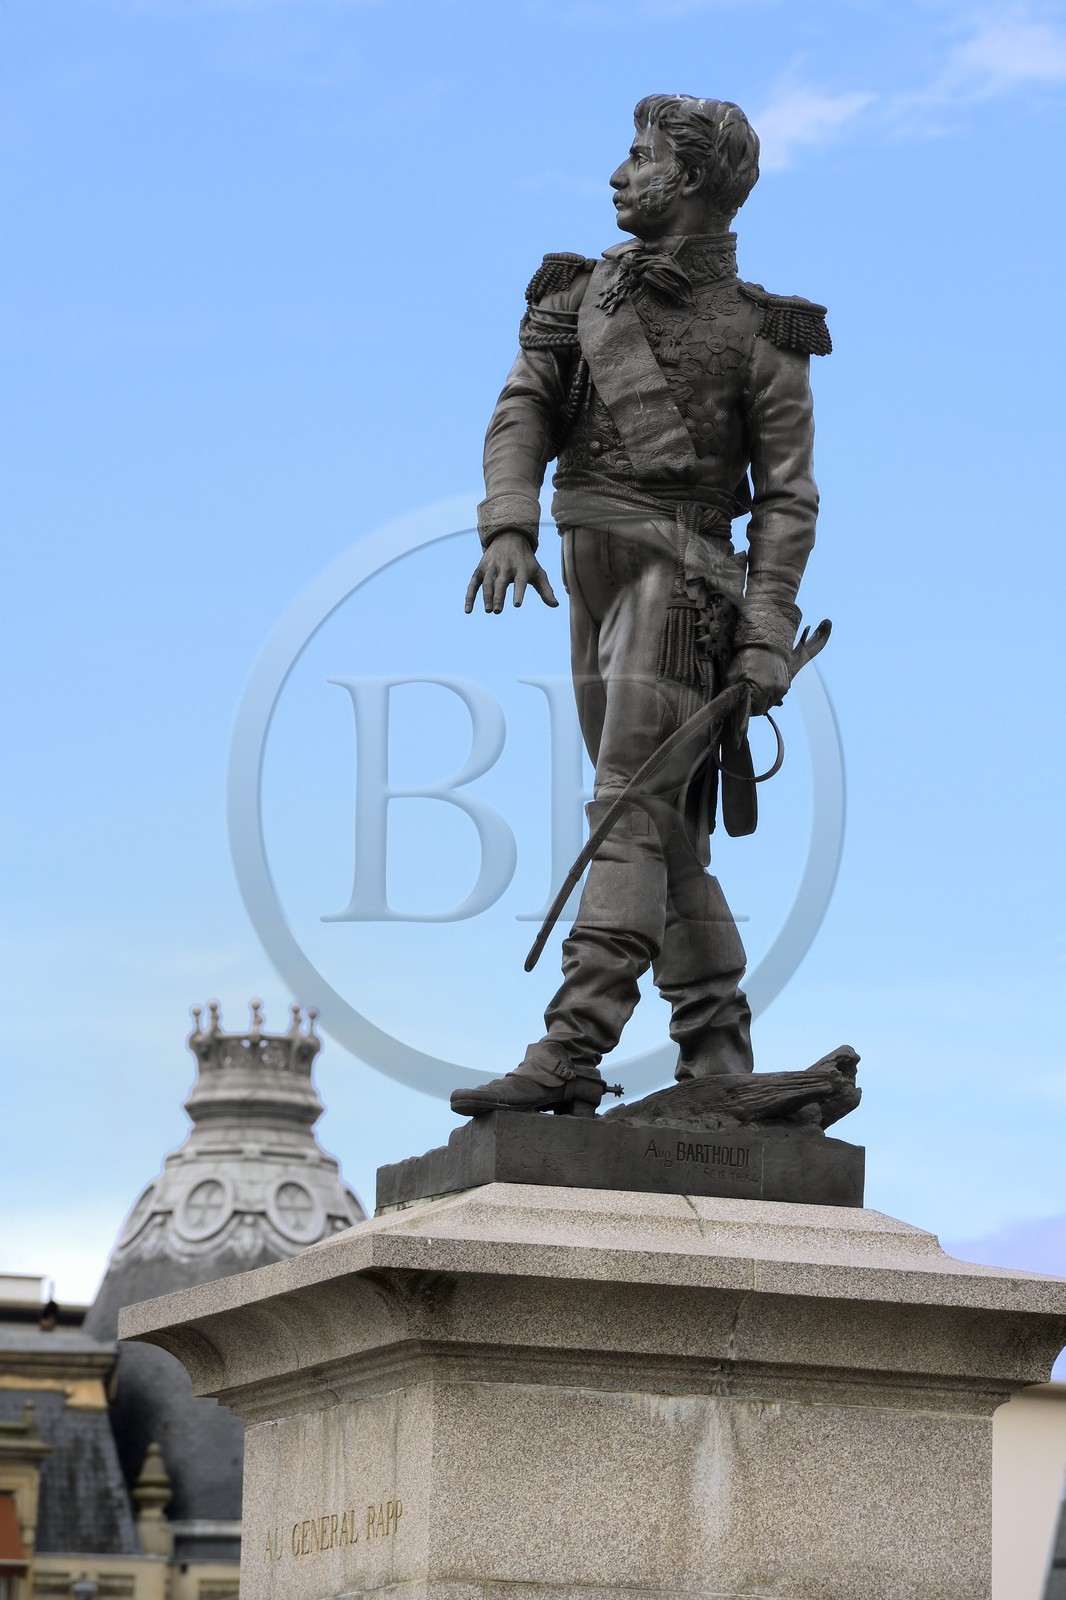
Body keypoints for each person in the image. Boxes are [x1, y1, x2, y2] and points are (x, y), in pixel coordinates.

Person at [450, 94, 830, 1119]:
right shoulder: (577, 297)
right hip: (588, 570)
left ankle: (574, 1044)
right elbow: (523, 405)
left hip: (682, 583)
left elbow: (787, 501)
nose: (618, 175)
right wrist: (507, 522)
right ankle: (718, 1057)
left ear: (694, 179)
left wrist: (762, 632)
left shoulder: (766, 334)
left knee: (624, 803)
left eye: (639, 158)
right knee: (662, 829)